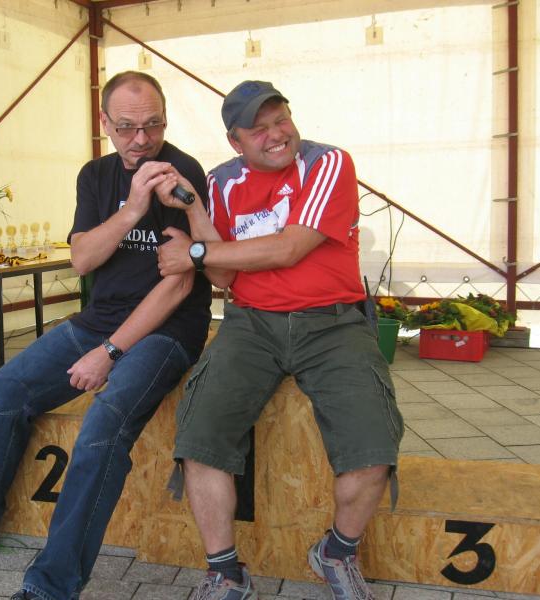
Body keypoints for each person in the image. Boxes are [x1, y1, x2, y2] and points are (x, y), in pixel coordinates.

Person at [0, 71, 213, 600]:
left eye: (153, 125)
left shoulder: (182, 173)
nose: (142, 139)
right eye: (127, 127)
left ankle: (52, 584)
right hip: (98, 318)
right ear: (105, 123)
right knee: (2, 392)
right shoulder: (95, 176)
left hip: (166, 329)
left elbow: (179, 285)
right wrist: (133, 209)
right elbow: (83, 258)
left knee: (103, 425)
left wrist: (110, 352)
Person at [156, 80, 403, 600]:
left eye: (281, 120)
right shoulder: (221, 182)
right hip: (250, 324)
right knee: (200, 435)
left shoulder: (327, 163)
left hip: (333, 324)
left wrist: (195, 253)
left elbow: (289, 248)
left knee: (373, 445)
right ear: (235, 141)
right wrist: (195, 211)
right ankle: (225, 572)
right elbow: (224, 277)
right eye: (259, 129)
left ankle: (336, 551)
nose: (276, 134)